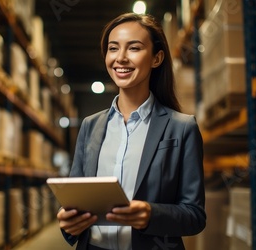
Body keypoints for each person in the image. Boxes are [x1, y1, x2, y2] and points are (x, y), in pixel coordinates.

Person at [57, 12, 206, 250]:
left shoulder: (182, 127)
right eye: (113, 48)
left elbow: (195, 215)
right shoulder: (90, 126)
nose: (121, 58)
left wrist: (150, 214)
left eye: (134, 48)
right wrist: (68, 223)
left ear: (156, 58)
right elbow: (76, 202)